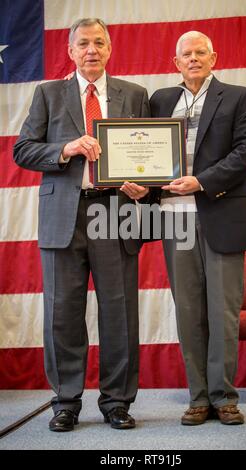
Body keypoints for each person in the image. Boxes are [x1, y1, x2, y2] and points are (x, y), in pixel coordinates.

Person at [14, 18, 150, 432]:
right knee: (62, 312)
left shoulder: (135, 94)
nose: (91, 50)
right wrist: (66, 148)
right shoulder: (48, 93)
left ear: (110, 49)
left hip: (115, 212)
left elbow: (151, 151)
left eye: (99, 43)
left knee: (119, 311)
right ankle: (66, 402)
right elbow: (24, 150)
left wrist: (144, 185)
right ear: (70, 51)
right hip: (64, 217)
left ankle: (117, 403)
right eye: (83, 44)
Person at [122, 31, 246, 425]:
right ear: (176, 62)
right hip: (173, 217)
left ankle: (225, 397)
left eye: (201, 52)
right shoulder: (161, 100)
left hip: (220, 215)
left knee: (223, 312)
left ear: (214, 57)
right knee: (188, 311)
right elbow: (144, 155)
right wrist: (138, 186)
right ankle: (198, 397)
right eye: (187, 54)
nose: (194, 58)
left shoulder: (238, 96)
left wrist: (201, 181)